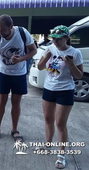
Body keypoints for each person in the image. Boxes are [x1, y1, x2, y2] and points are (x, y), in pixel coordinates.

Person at [0, 14, 37, 143]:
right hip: (3, 73)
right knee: (1, 101)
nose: (0, 32)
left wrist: (21, 59)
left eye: (3, 30)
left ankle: (14, 129)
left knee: (16, 102)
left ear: (11, 26)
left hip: (19, 74)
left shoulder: (22, 33)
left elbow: (33, 51)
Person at [37, 25, 83, 169]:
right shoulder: (50, 49)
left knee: (60, 124)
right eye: (54, 39)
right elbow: (39, 67)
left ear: (67, 38)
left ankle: (61, 155)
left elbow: (79, 75)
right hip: (49, 89)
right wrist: (46, 57)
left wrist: (71, 64)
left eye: (59, 39)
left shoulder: (75, 53)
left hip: (65, 90)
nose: (55, 42)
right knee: (48, 119)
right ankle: (48, 144)